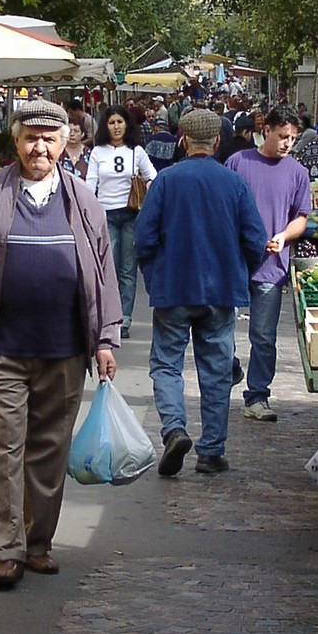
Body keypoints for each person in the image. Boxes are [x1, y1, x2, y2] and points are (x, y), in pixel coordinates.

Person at [0, 99, 122, 589]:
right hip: (0, 348)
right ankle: (7, 549)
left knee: (48, 451)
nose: (38, 146)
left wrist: (106, 339)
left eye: (49, 138)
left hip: (64, 350)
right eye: (29, 137)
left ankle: (39, 543)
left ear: (66, 143)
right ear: (16, 141)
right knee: (5, 448)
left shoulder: (83, 201)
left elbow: (103, 274)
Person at [135, 109, 268, 475]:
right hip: (221, 290)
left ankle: (175, 428)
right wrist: (241, 272)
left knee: (166, 365)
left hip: (173, 288)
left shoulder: (165, 181)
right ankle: (211, 451)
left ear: (183, 140)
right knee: (216, 370)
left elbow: (143, 238)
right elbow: (255, 240)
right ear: (216, 142)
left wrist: (153, 276)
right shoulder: (234, 183)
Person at [225, 105, 311, 422]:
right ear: (267, 131)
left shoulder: (297, 173)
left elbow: (301, 217)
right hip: (234, 262)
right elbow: (225, 206)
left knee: (263, 336)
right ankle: (226, 373)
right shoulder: (239, 162)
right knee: (221, 329)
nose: (287, 143)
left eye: (292, 138)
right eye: (282, 136)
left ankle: (257, 395)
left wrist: (284, 236)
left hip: (272, 267)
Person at [86, 105, 157, 339]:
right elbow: (90, 183)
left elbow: (153, 177)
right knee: (109, 268)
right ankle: (109, 317)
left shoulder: (136, 151)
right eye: (111, 122)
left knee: (128, 270)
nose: (116, 127)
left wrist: (146, 189)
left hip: (131, 214)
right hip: (105, 213)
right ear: (105, 126)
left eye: (120, 122)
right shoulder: (98, 152)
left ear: (126, 124)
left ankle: (124, 319)